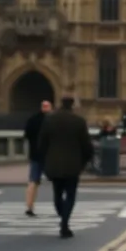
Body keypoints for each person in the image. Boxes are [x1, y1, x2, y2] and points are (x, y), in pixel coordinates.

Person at [37, 96, 94, 239]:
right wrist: (85, 161)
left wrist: (43, 161)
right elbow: (86, 145)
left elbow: (42, 143)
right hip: (73, 164)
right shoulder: (79, 121)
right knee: (70, 195)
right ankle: (65, 223)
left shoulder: (49, 119)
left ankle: (62, 214)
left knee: (57, 193)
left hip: (54, 163)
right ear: (72, 105)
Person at [22, 99, 53, 217]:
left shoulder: (33, 119)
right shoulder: (52, 120)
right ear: (49, 108)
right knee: (58, 181)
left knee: (33, 181)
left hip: (35, 154)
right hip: (50, 155)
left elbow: (26, 135)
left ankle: (29, 206)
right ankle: (60, 206)